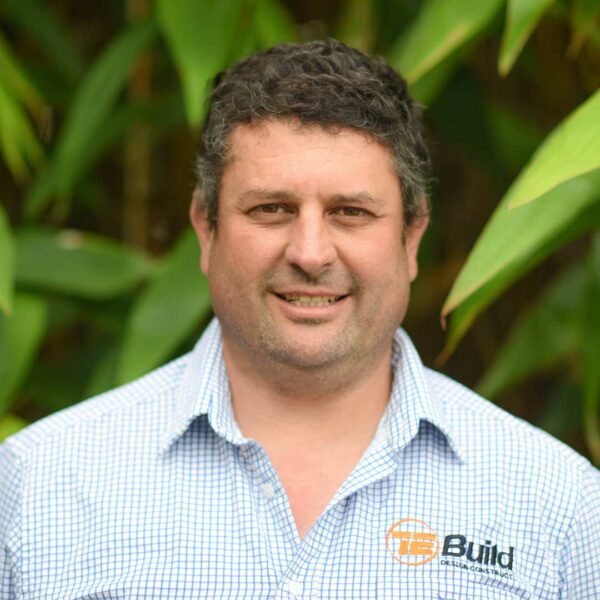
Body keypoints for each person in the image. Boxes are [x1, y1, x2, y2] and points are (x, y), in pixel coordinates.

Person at [0, 39, 598, 600]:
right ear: (206, 228)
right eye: (271, 208)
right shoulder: (38, 487)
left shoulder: (559, 506)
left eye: (351, 212)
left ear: (412, 236)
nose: (310, 253)